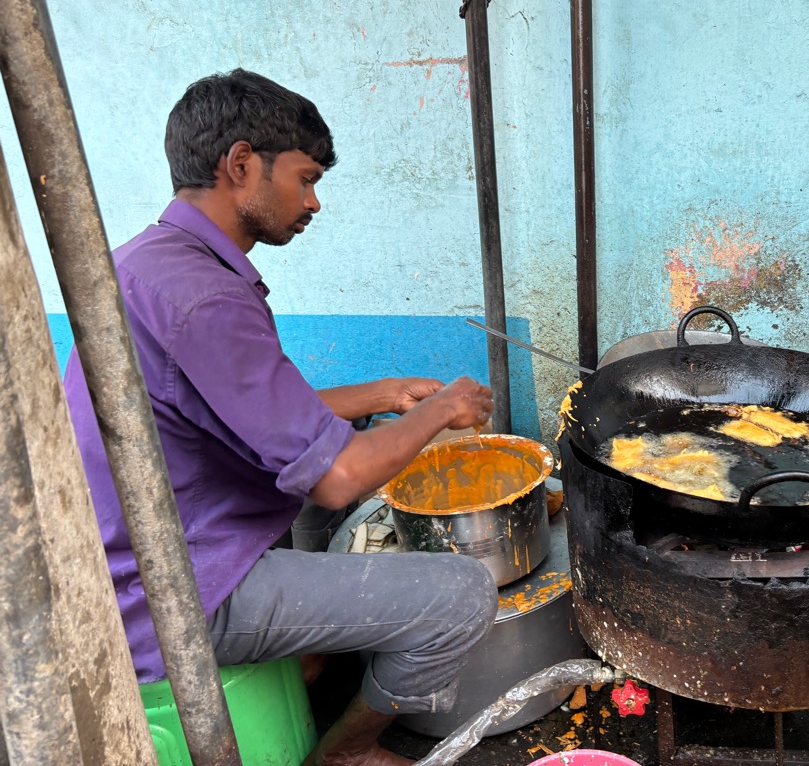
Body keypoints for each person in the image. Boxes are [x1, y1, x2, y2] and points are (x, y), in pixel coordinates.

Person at [64, 69, 498, 766]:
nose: (313, 201)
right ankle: (347, 752)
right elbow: (339, 478)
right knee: (461, 595)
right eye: (304, 179)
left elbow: (248, 412)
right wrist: (445, 408)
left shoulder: (150, 263)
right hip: (175, 595)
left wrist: (385, 394)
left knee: (321, 517)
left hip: (136, 554)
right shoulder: (206, 300)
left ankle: (308, 660)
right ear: (241, 165)